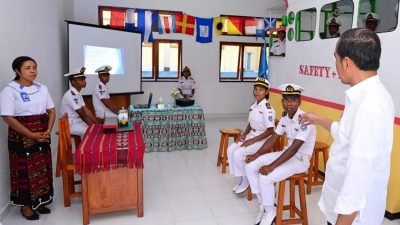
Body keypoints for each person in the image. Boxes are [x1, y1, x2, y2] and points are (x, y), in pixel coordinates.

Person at [300, 28, 394, 225]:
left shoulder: (368, 105)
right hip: (341, 209)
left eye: (336, 58)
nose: (335, 65)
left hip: (353, 218)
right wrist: (317, 119)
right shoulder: (367, 96)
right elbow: (346, 135)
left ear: (347, 62)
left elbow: (358, 177)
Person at [245, 84, 316, 225]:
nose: (289, 103)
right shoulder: (284, 118)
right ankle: (264, 206)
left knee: (266, 176)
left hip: (300, 160)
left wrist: (271, 166)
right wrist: (256, 155)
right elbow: (273, 139)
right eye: (286, 100)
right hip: (286, 154)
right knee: (251, 165)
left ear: (299, 102)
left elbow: (294, 149)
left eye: (293, 100)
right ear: (282, 101)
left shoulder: (305, 121)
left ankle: (270, 213)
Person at [0, 56, 55, 220]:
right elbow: (8, 117)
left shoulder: (42, 88)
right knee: (24, 171)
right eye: (28, 67)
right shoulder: (9, 90)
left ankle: (41, 201)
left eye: (35, 67)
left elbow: (51, 110)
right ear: (17, 71)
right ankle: (26, 206)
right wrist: (31, 134)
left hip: (42, 133)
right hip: (22, 137)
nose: (33, 70)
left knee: (43, 167)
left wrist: (48, 130)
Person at [228, 77, 276, 195]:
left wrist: (252, 141)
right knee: (230, 150)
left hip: (262, 139)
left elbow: (270, 131)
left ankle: (245, 182)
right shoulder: (254, 105)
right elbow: (251, 122)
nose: (257, 92)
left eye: (260, 90)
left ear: (266, 92)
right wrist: (244, 135)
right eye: (255, 89)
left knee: (238, 154)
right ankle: (241, 179)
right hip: (251, 135)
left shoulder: (268, 109)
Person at [60, 67, 97, 137]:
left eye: (84, 79)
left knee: (95, 129)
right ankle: (86, 148)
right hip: (70, 124)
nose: (84, 81)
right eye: (81, 79)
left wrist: (97, 124)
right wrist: (93, 127)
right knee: (91, 132)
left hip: (76, 121)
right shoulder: (71, 94)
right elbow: (82, 114)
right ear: (72, 82)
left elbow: (87, 111)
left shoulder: (78, 94)